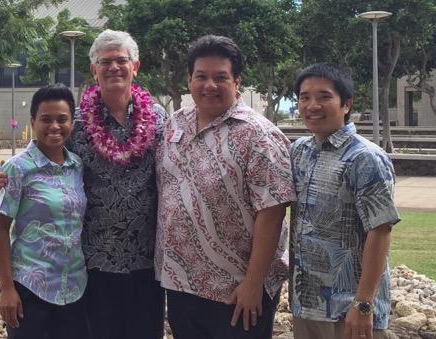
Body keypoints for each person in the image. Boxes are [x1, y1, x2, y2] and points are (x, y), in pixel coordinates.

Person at [0, 30, 167, 339]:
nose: (114, 67)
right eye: (105, 61)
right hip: (92, 265)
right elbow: (48, 154)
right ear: (94, 70)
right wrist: (5, 175)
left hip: (145, 261)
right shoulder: (79, 123)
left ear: (135, 66)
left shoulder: (157, 117)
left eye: (121, 60)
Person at [155, 35, 296, 339]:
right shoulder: (175, 124)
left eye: (221, 77)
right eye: (201, 76)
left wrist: (253, 283)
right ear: (189, 79)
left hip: (236, 291)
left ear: (237, 82)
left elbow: (271, 213)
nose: (210, 85)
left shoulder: (258, 135)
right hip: (182, 284)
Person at [289, 63, 400, 339]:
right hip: (307, 304)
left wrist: (363, 304)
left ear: (346, 104)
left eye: (324, 96)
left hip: (348, 310)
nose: (313, 105)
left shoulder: (365, 158)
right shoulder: (299, 151)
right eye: (305, 97)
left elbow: (381, 231)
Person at [0, 84, 88, 339]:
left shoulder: (77, 165)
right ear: (33, 121)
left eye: (62, 119)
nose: (54, 126)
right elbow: (0, 229)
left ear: (72, 123)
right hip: (30, 290)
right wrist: (7, 288)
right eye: (46, 119)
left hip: (74, 288)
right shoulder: (17, 169)